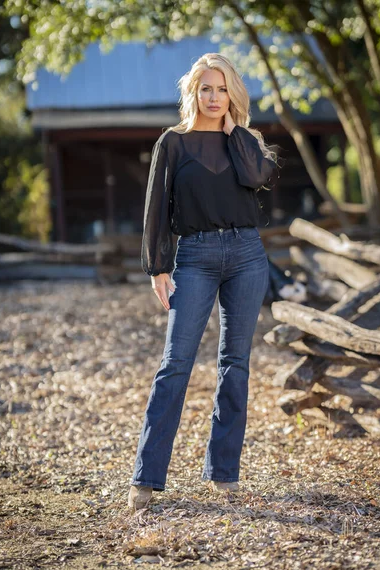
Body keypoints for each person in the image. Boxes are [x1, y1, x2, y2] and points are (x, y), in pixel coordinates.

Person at [128, 52, 279, 511]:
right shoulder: (173, 143)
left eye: (222, 89)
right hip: (194, 256)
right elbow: (157, 206)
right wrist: (158, 266)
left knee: (235, 363)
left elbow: (258, 177)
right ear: (193, 92)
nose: (214, 97)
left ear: (232, 93)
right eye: (206, 89)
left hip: (247, 255)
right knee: (175, 364)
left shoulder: (246, 140)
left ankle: (224, 473)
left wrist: (235, 132)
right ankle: (146, 478)